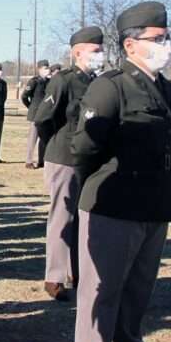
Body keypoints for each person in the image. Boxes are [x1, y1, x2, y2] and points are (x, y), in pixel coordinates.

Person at [71, 1, 171, 342]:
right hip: (114, 202)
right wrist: (99, 190)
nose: (165, 44)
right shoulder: (111, 85)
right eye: (157, 39)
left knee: (138, 288)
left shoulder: (166, 87)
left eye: (167, 37)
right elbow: (84, 149)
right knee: (101, 290)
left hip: (154, 201)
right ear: (131, 44)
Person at [33, 27, 104, 301]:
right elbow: (43, 118)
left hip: (87, 159)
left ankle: (77, 271)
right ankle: (55, 277)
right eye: (95, 51)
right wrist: (55, 144)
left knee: (83, 217)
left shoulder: (97, 82)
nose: (100, 55)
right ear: (77, 52)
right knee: (62, 217)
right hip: (63, 157)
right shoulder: (63, 81)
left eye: (101, 50)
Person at [21, 60, 50, 169]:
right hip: (35, 114)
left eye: (47, 68)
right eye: (44, 68)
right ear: (39, 69)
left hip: (44, 114)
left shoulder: (49, 82)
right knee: (32, 138)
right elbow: (24, 96)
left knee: (43, 138)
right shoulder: (34, 81)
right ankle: (29, 161)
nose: (47, 70)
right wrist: (30, 107)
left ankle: (41, 160)